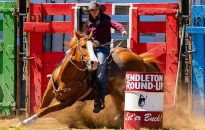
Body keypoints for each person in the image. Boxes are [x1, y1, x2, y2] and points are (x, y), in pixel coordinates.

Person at [83, 1, 127, 113]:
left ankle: (100, 101)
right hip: (90, 48)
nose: (93, 12)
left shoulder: (105, 19)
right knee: (71, 55)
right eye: (91, 10)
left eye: (95, 10)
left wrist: (123, 30)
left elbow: (115, 24)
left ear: (99, 10)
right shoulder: (88, 22)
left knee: (100, 75)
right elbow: (85, 34)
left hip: (102, 48)